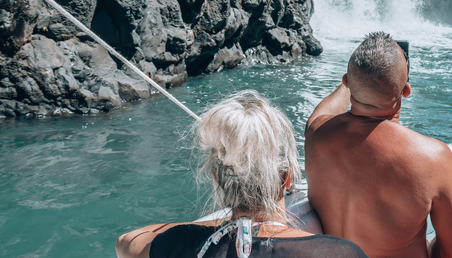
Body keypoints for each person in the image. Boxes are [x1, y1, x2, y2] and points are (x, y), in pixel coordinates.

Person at [115, 90, 368, 258]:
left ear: (216, 178)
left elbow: (125, 242)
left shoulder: (180, 244)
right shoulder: (339, 253)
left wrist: (217, 223)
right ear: (286, 178)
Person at [305, 31, 452, 258]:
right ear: (406, 91)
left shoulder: (316, 134)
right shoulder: (434, 158)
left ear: (346, 82)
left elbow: (322, 112)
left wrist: (359, 78)